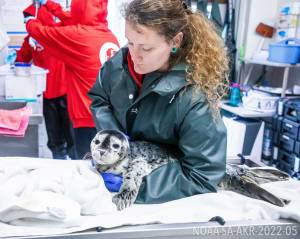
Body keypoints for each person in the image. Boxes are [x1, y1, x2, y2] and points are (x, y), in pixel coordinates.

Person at [88, 0, 229, 203]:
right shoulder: (119, 64)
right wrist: (117, 141)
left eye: (146, 48)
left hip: (161, 192)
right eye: (130, 42)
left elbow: (203, 175)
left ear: (175, 41)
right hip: (115, 169)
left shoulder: (194, 98)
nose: (134, 55)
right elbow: (100, 98)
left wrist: (136, 184)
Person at [25, 0, 120, 158]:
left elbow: (40, 32)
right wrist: (49, 4)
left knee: (87, 173)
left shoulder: (78, 37)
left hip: (87, 121)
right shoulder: (108, 36)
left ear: (79, 8)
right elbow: (73, 20)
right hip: (110, 117)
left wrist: (30, 22)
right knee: (107, 170)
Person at [8, 4, 77, 159]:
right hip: (48, 95)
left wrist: (49, 4)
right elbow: (22, 59)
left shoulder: (60, 31)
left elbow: (72, 20)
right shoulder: (30, 39)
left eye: (29, 19)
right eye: (26, 20)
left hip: (68, 93)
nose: (27, 23)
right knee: (54, 140)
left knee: (73, 139)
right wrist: (15, 60)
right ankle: (60, 168)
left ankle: (77, 170)